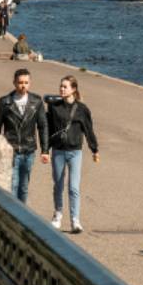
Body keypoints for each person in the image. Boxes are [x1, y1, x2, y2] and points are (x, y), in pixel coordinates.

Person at [44, 75, 99, 232]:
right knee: (58, 186)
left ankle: (75, 220)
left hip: (75, 152)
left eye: (65, 87)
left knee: (73, 187)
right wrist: (45, 150)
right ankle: (58, 215)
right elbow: (48, 130)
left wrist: (94, 149)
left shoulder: (82, 109)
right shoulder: (54, 108)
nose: (61, 89)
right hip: (58, 152)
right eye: (61, 86)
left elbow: (88, 130)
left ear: (73, 89)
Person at [0, 69, 49, 203]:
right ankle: (12, 215)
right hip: (11, 150)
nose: (23, 85)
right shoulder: (4, 102)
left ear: (30, 83)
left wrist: (45, 150)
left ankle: (23, 213)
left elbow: (43, 126)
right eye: (20, 82)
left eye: (26, 83)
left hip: (29, 150)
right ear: (14, 83)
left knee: (24, 187)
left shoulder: (36, 101)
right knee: (13, 185)